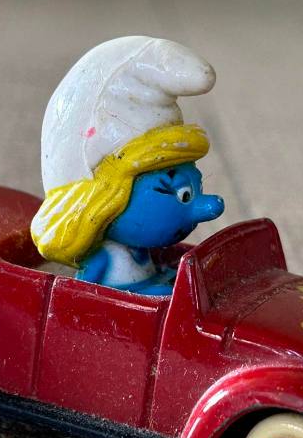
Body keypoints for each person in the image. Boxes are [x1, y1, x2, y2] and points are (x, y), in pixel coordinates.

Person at [30, 36, 225, 294]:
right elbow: (81, 292)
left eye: (195, 190)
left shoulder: (141, 250)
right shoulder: (104, 257)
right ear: (110, 199)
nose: (210, 206)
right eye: (184, 195)